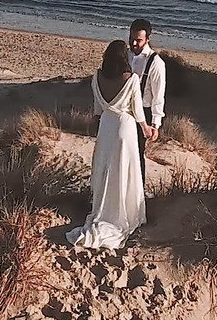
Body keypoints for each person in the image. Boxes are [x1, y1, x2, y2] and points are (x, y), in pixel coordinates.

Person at [66, 40, 154, 249]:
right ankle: (126, 213)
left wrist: (98, 126)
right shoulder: (131, 79)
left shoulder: (96, 77)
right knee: (124, 170)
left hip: (106, 126)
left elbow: (97, 109)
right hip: (125, 127)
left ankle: (102, 209)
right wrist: (146, 129)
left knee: (105, 168)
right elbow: (137, 110)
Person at [127, 19, 166, 187]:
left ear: (147, 39)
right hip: (123, 110)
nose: (134, 43)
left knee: (137, 153)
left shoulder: (156, 62)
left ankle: (138, 191)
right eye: (132, 38)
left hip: (144, 111)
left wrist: (155, 124)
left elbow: (159, 96)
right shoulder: (126, 55)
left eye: (139, 40)